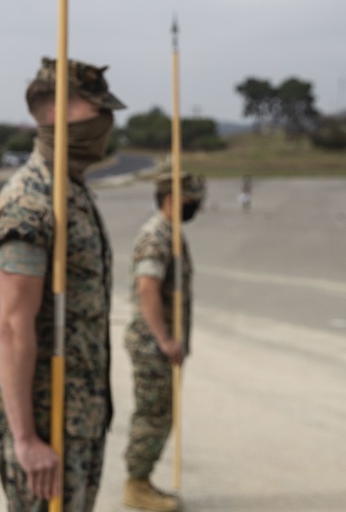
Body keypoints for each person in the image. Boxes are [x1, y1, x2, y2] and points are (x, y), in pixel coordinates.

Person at [0, 57, 125, 512]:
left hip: (82, 417)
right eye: (96, 109)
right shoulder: (31, 200)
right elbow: (12, 325)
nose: (106, 122)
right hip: (49, 426)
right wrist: (26, 440)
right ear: (53, 112)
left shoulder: (73, 191)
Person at [122, 173, 206, 512]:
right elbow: (147, 287)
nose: (195, 206)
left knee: (161, 414)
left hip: (161, 344)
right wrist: (165, 339)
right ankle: (136, 485)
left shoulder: (171, 234)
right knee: (153, 415)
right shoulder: (156, 236)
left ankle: (142, 479)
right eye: (190, 199)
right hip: (152, 345)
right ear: (172, 199)